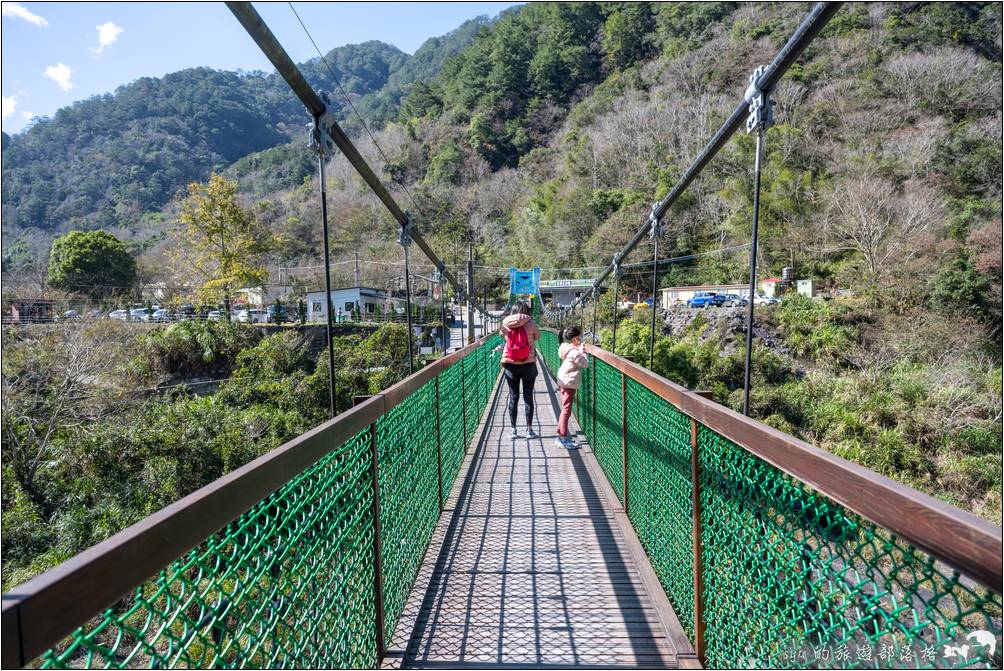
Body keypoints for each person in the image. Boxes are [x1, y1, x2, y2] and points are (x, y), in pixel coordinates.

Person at [499, 301, 541, 439]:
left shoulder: (505, 323)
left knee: (513, 397)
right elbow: (537, 337)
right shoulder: (531, 322)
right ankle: (529, 430)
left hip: (510, 364)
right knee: (528, 397)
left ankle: (513, 430)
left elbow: (502, 336)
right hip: (528, 364)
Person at [555, 326, 589, 449]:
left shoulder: (566, 348)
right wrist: (583, 351)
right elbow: (585, 364)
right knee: (566, 410)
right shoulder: (574, 352)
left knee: (565, 408)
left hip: (563, 380)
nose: (581, 339)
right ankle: (563, 439)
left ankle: (559, 435)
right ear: (575, 339)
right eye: (580, 336)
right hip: (569, 382)